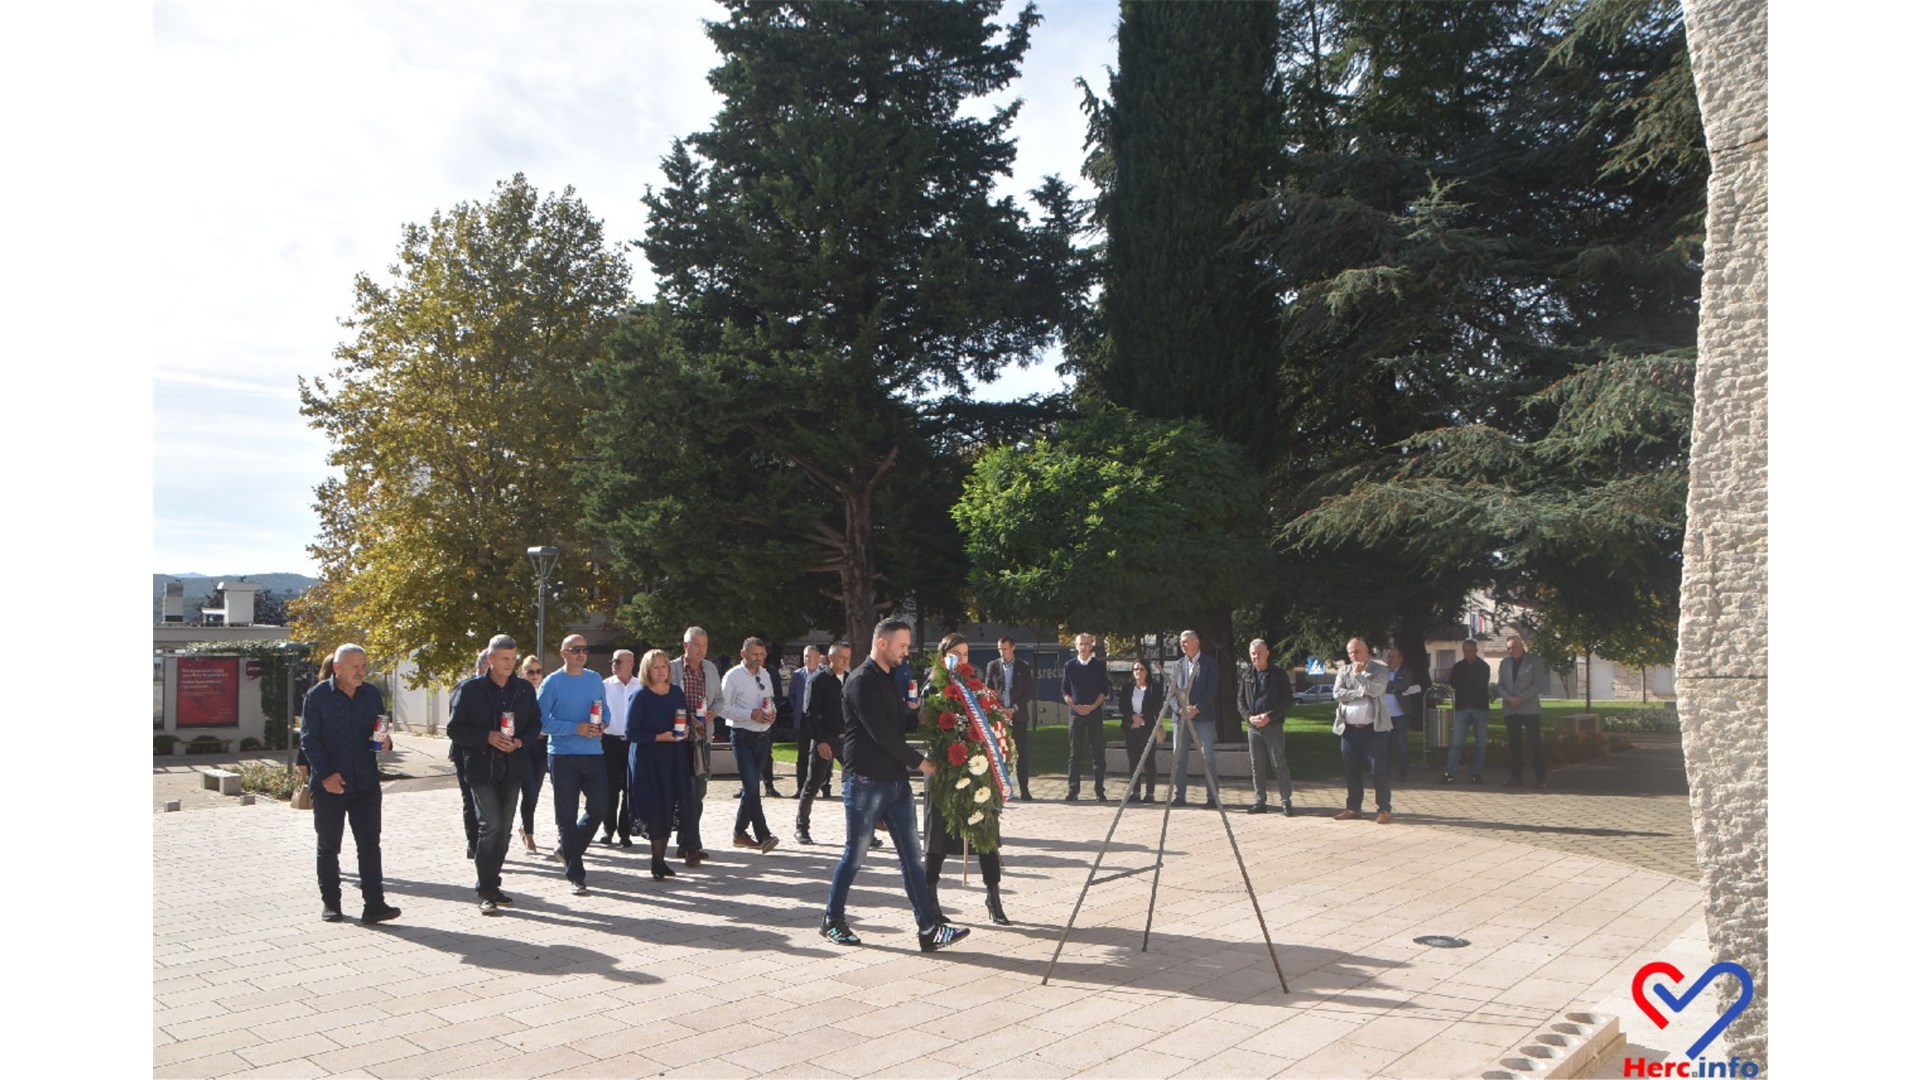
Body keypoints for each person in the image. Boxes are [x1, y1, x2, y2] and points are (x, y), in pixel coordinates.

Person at [820, 617, 969, 952]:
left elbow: (895, 724)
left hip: (896, 783)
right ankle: (832, 919)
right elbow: (880, 733)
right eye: (902, 645)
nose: (906, 652)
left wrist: (920, 715)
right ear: (882, 643)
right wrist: (920, 762)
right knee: (855, 855)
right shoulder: (860, 682)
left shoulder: (891, 677)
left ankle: (928, 929)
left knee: (912, 858)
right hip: (866, 781)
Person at [300, 644, 400, 924]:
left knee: (370, 844)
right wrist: (326, 775)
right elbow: (308, 740)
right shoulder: (317, 697)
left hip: (366, 782)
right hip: (330, 784)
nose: (361, 671)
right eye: (355, 666)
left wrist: (385, 743)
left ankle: (375, 904)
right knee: (329, 845)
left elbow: (379, 734)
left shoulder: (371, 695)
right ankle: (331, 903)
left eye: (364, 666)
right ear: (337, 668)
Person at [447, 634, 541, 914]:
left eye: (513, 659)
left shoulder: (524, 689)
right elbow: (454, 729)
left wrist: (521, 741)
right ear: (490, 659)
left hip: (513, 768)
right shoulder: (470, 689)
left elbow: (536, 723)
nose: (509, 664)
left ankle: (493, 882)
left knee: (505, 830)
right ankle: (485, 888)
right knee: (490, 826)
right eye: (504, 659)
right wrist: (486, 736)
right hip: (480, 768)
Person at [921, 635, 1011, 926]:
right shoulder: (935, 685)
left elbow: (989, 717)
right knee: (938, 838)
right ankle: (930, 897)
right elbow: (926, 720)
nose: (962, 660)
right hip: (944, 772)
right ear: (943, 655)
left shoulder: (975, 686)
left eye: (966, 654)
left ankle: (993, 897)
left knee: (985, 834)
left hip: (976, 767)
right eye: (955, 654)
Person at [537, 634, 608, 895]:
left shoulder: (594, 679)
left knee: (600, 808)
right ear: (563, 653)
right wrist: (574, 728)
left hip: (593, 753)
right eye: (575, 649)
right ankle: (576, 874)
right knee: (565, 815)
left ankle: (568, 849)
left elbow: (605, 711)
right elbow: (541, 722)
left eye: (584, 649)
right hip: (563, 755)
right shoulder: (552, 682)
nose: (581, 653)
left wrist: (602, 725)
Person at [627, 649, 694, 881]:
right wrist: (659, 737)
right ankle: (656, 861)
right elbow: (631, 732)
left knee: (670, 806)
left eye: (664, 666)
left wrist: (684, 730)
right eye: (655, 667)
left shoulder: (676, 692)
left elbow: (682, 718)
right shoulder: (640, 696)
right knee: (655, 809)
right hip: (648, 759)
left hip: (673, 756)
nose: (660, 671)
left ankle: (662, 859)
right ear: (647, 670)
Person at [717, 636, 782, 853]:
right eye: (755, 655)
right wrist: (749, 714)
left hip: (763, 737)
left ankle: (739, 833)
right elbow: (722, 708)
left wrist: (771, 714)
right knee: (753, 786)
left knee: (751, 786)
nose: (759, 659)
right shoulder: (732, 677)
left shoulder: (765, 674)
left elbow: (770, 699)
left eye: (762, 655)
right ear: (743, 654)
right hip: (742, 736)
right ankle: (763, 834)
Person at [669, 627, 721, 866]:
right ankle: (691, 845)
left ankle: (687, 842)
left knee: (698, 793)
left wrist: (713, 712)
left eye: (705, 645)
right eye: (697, 645)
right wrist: (685, 717)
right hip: (678, 739)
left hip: (702, 740)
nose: (701, 650)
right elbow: (665, 698)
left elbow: (719, 699)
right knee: (685, 793)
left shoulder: (710, 669)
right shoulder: (672, 668)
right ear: (685, 646)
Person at [1332, 637, 1393, 823]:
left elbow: (1375, 691)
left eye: (1357, 651)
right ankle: (1353, 808)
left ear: (1367, 652)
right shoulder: (1344, 670)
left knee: (1378, 770)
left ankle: (1384, 809)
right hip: (1349, 729)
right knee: (1352, 770)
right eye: (1350, 652)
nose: (1353, 655)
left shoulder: (1380, 669)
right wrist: (1359, 692)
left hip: (1373, 729)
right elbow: (1337, 694)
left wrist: (1359, 677)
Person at [796, 642, 850, 845]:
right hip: (825, 739)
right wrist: (820, 741)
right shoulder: (819, 680)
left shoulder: (850, 679)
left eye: (848, 657)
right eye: (841, 657)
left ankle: (864, 831)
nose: (845, 661)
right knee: (813, 784)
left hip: (848, 740)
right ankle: (801, 828)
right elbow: (810, 713)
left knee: (857, 784)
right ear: (830, 658)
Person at [1168, 630, 1221, 808]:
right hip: (1180, 719)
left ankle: (1213, 798)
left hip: (1203, 718)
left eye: (1186, 641)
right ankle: (1179, 796)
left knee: (1207, 758)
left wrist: (1196, 709)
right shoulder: (1177, 665)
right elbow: (1171, 693)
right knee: (1179, 758)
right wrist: (1179, 709)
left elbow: (1211, 690)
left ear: (1196, 642)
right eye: (1181, 642)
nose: (1182, 645)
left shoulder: (1209, 664)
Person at [1241, 639, 1293, 816]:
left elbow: (1287, 699)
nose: (1256, 656)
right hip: (1253, 727)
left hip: (1273, 726)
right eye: (1253, 653)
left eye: (1259, 653)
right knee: (1257, 765)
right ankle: (1260, 801)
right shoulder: (1247, 675)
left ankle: (1286, 801)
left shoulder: (1278, 674)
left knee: (1279, 763)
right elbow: (1240, 701)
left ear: (1267, 653)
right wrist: (1249, 717)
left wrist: (1269, 716)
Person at [984, 637, 1035, 801]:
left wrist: (1013, 709)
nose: (1002, 652)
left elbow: (1028, 692)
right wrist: (999, 710)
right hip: (998, 717)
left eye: (1005, 649)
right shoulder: (993, 666)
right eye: (1000, 649)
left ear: (1013, 648)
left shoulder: (1023, 667)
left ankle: (1024, 789)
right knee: (999, 753)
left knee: (1021, 753)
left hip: (1018, 716)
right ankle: (1000, 788)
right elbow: (988, 691)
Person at [1061, 633, 1109, 802]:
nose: (1084, 647)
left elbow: (1104, 690)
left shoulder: (1099, 665)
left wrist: (1093, 707)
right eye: (1081, 644)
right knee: (1075, 754)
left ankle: (1100, 791)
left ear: (1091, 646)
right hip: (1076, 715)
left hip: (1094, 714)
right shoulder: (1069, 666)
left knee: (1098, 754)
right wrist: (1075, 706)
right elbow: (1065, 691)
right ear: (1076, 646)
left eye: (1087, 644)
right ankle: (1073, 790)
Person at [599, 649, 639, 848]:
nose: (613, 664)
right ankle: (608, 829)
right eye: (613, 660)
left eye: (618, 661)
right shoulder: (604, 685)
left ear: (630, 663)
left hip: (632, 743)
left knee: (630, 789)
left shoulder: (640, 686)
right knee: (610, 788)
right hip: (610, 742)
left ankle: (625, 831)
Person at [1498, 634, 1549, 788]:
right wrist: (1508, 698)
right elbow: (1500, 685)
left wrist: (1521, 698)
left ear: (1521, 646)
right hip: (1510, 708)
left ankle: (1540, 778)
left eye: (1513, 647)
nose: (1511, 651)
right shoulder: (1505, 663)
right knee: (1514, 744)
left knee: (1535, 743)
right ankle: (1515, 777)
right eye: (1508, 648)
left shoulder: (1535, 661)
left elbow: (1538, 684)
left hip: (1529, 708)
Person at [1443, 640, 1493, 784]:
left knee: (1481, 744)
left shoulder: (1484, 667)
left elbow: (1480, 684)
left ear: (1476, 650)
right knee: (1456, 743)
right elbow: (1454, 684)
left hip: (1480, 709)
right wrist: (1466, 683)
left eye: (1471, 650)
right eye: (1465, 650)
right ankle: (1449, 773)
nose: (1468, 653)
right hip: (1462, 708)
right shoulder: (1458, 667)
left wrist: (1465, 683)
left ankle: (1476, 774)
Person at [516, 654, 548, 852]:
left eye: (538, 671)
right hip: (525, 745)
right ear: (523, 673)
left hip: (543, 744)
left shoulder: (546, 691)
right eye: (530, 672)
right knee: (528, 789)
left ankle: (524, 827)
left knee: (535, 790)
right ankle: (529, 834)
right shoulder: (519, 692)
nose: (535, 675)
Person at [1121, 659, 1164, 803]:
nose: (1138, 672)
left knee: (1149, 760)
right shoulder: (1127, 687)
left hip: (1148, 727)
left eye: (1141, 669)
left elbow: (1157, 705)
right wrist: (1133, 717)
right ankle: (1135, 792)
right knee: (1133, 760)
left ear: (1147, 671)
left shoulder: (1154, 687)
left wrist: (1142, 718)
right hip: (1131, 727)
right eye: (1135, 669)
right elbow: (1123, 705)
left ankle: (1150, 793)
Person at [790, 645, 825, 797]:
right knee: (802, 754)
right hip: (803, 719)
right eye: (805, 656)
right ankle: (801, 788)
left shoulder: (824, 675)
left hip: (820, 720)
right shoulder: (798, 675)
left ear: (818, 658)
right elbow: (793, 696)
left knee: (822, 753)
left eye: (810, 656)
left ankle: (824, 786)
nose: (807, 659)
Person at [1385, 646, 1424, 781]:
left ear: (1400, 659)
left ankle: (1403, 773)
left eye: (1393, 656)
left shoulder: (1406, 672)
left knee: (1402, 746)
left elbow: (1403, 686)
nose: (1390, 659)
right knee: (1385, 746)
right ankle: (1385, 772)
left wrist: (1388, 686)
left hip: (1401, 715)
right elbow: (1376, 686)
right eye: (1389, 656)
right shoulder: (1383, 672)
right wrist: (1393, 686)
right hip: (1385, 715)